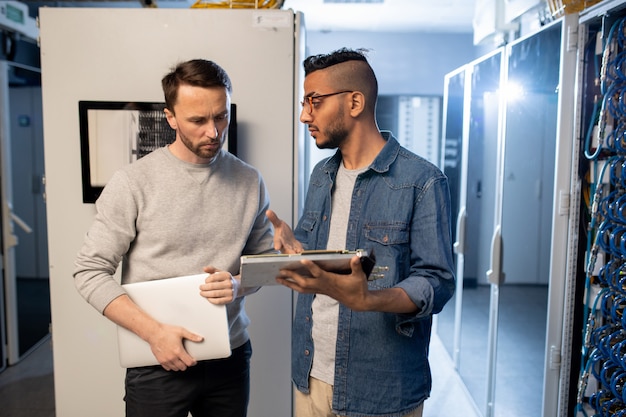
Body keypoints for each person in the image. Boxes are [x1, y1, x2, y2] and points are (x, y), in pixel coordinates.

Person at [73, 59, 275, 417]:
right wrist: (153, 333)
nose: (213, 132)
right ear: (171, 118)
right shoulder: (133, 182)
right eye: (198, 120)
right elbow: (89, 272)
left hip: (229, 356)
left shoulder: (249, 180)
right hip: (155, 358)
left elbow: (262, 263)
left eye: (221, 116)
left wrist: (239, 284)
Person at [266, 48, 456, 417]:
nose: (305, 115)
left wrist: (369, 299)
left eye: (314, 102)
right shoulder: (321, 175)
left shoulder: (422, 182)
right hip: (310, 375)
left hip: (380, 389)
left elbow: (437, 282)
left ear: (354, 102)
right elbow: (326, 261)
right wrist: (297, 250)